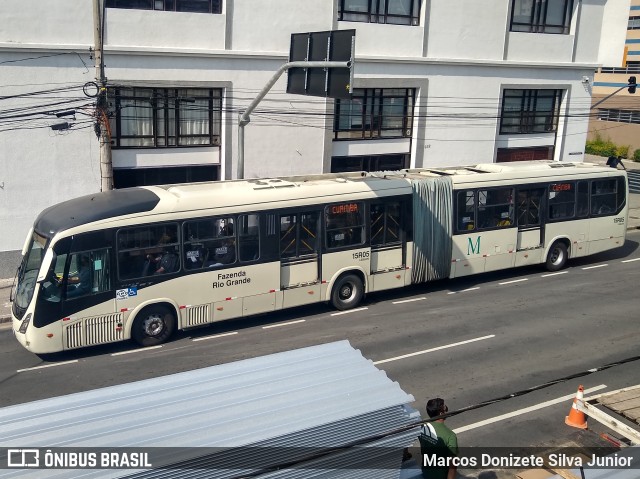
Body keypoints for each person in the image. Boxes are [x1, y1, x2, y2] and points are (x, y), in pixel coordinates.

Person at [419, 398, 458, 479]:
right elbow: (453, 465)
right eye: (444, 408)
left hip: (426, 473)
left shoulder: (422, 427)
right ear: (441, 413)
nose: (446, 409)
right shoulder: (450, 436)